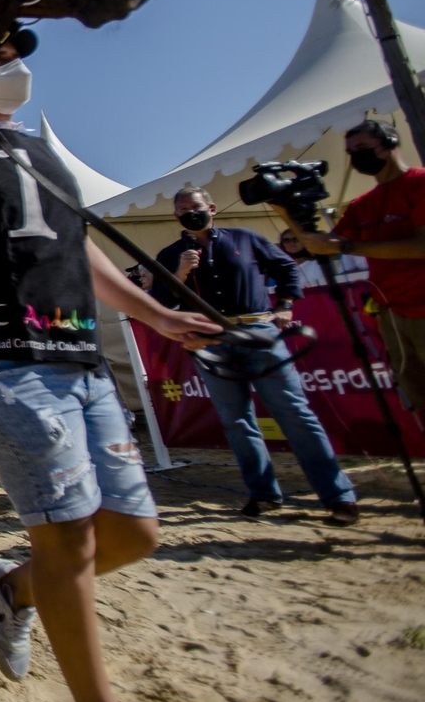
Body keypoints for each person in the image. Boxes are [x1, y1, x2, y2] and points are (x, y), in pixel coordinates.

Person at [0, 31, 220, 702]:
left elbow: (79, 251)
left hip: (76, 354)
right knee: (69, 537)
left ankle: (12, 591)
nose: (14, 67)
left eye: (15, 53)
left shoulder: (39, 152)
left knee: (133, 532)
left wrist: (156, 313)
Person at [154, 188, 359, 525]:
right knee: (236, 421)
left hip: (258, 333)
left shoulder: (245, 238)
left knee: (293, 412)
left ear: (212, 208)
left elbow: (286, 269)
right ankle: (263, 493)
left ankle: (338, 496)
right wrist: (179, 274)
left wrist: (285, 304)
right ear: (175, 215)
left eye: (196, 206)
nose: (190, 212)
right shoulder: (171, 253)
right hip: (210, 342)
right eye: (183, 208)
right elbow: (161, 302)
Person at [290, 118, 425, 417]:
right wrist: (285, 207)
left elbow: (421, 246)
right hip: (391, 313)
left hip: (422, 306)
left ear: (390, 143)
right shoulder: (361, 205)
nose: (355, 156)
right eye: (350, 152)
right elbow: (321, 245)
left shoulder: (419, 184)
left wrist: (349, 247)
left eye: (362, 147)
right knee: (415, 392)